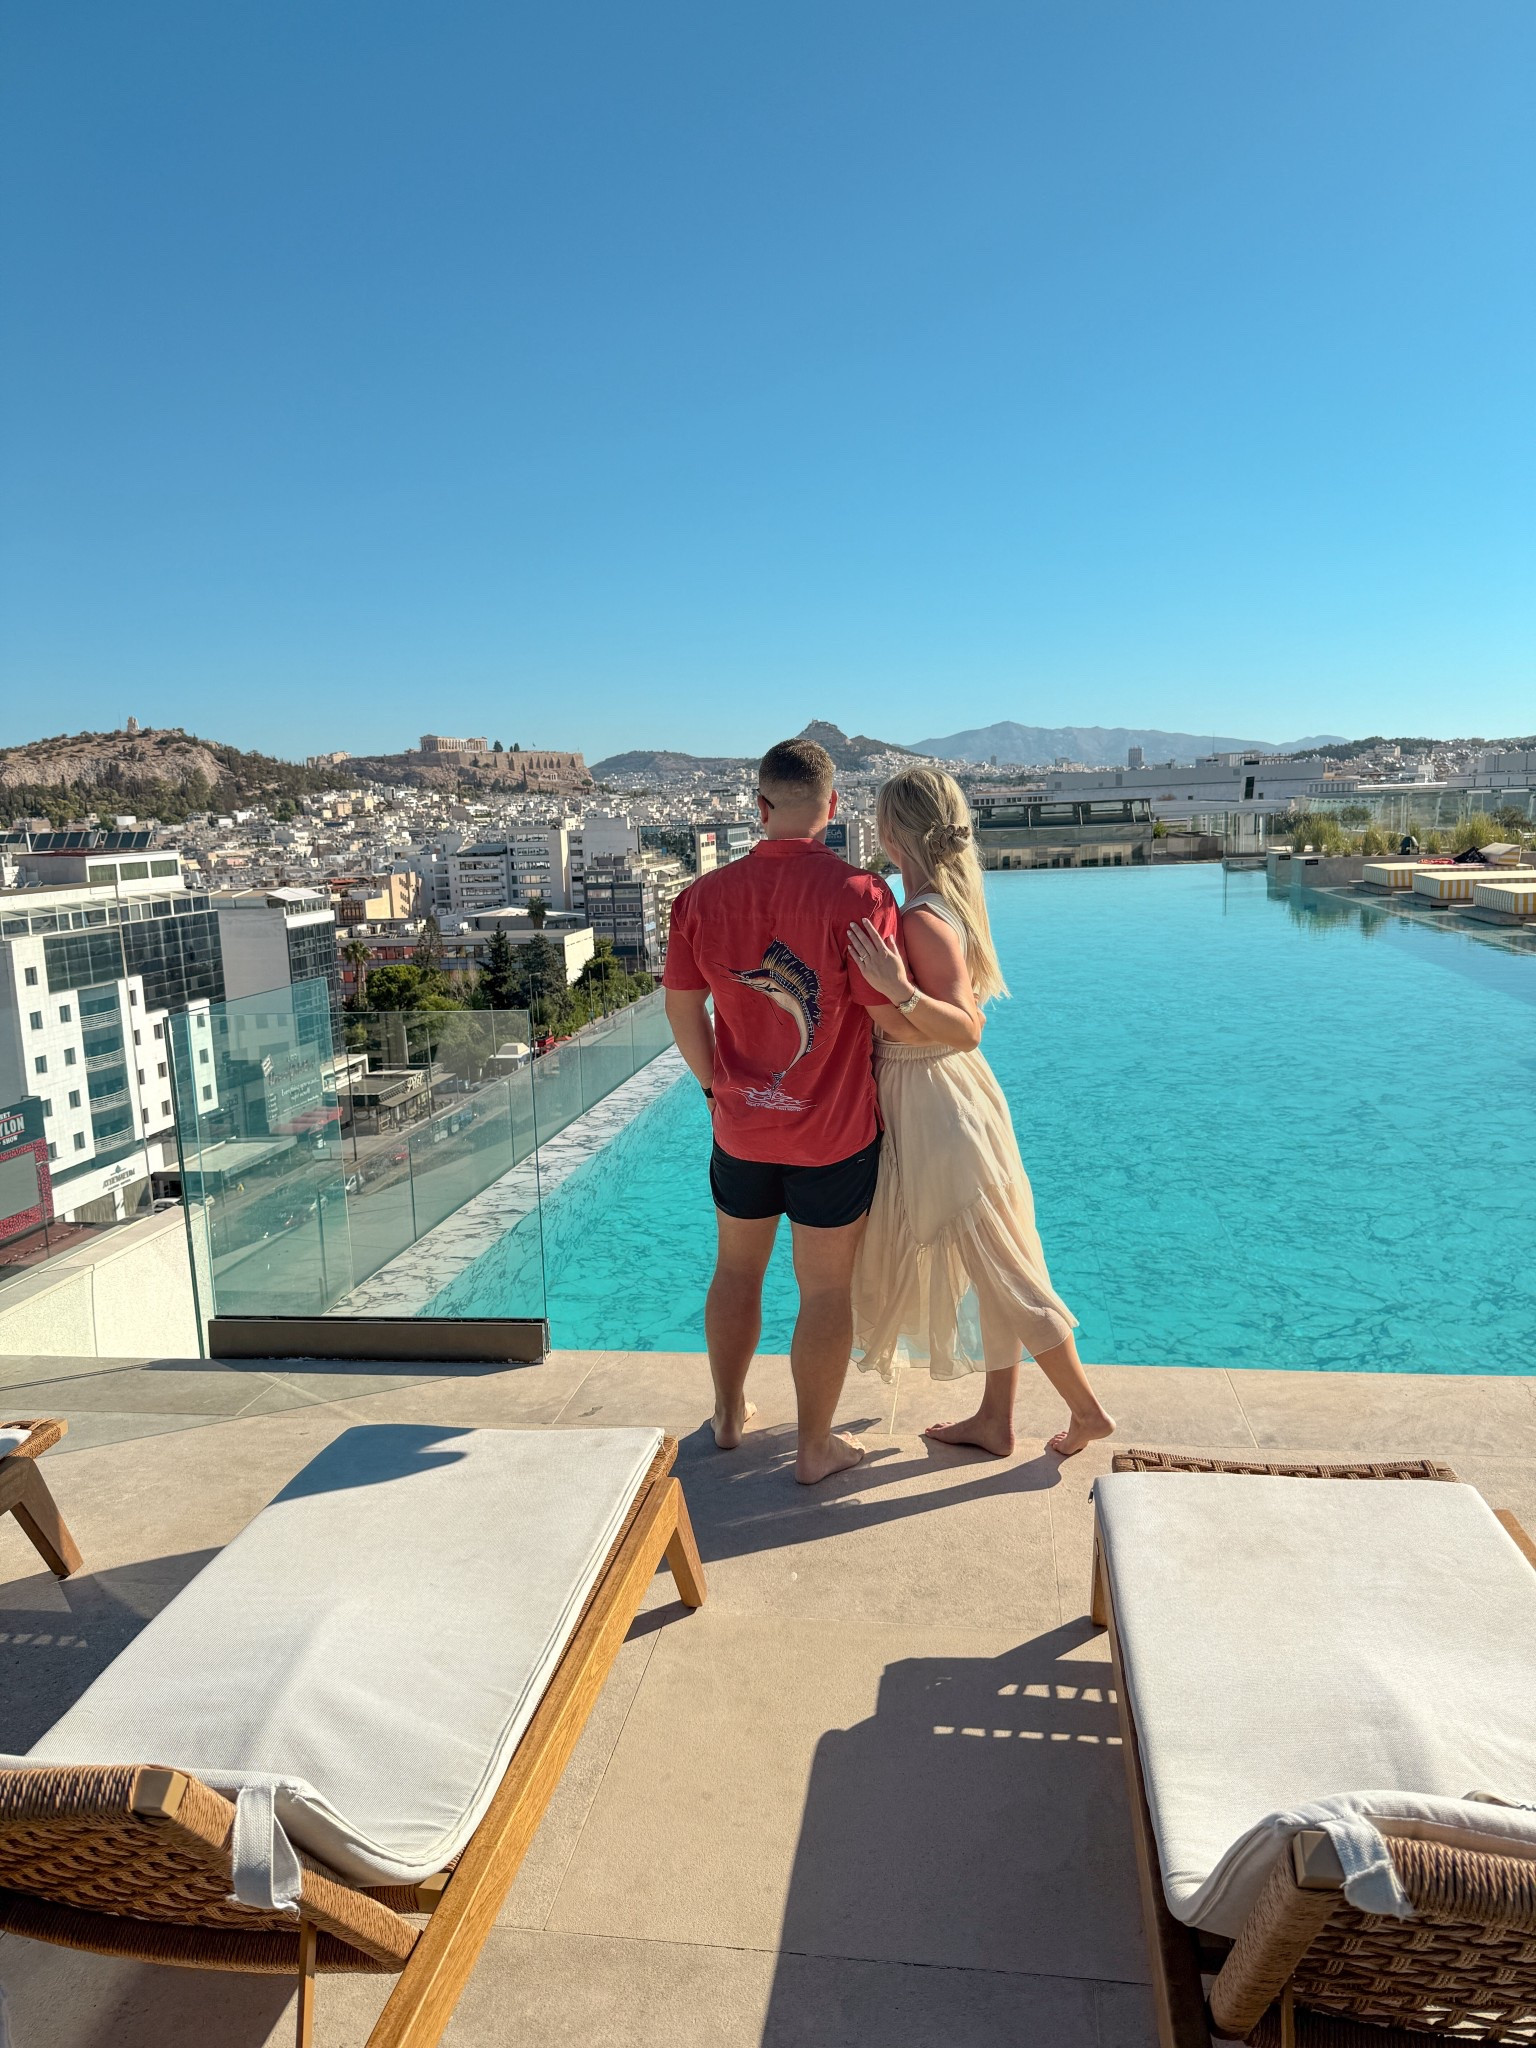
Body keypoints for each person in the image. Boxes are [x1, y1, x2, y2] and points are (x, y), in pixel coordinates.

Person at [844, 765, 1115, 1459]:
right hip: (942, 1096)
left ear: (891, 830)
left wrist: (897, 992)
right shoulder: (939, 904)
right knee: (995, 1265)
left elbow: (965, 1026)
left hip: (938, 1100)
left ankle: (1086, 1411)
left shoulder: (922, 919)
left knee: (1005, 1265)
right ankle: (996, 1419)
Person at [664, 737, 902, 1484]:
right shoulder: (861, 895)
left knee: (736, 1270)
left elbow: (681, 1010)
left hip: (741, 1128)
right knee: (824, 1289)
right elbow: (886, 1014)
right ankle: (814, 1445)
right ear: (832, 809)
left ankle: (730, 1415)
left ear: (758, 808)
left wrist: (715, 1090)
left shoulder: (699, 899)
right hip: (831, 1134)